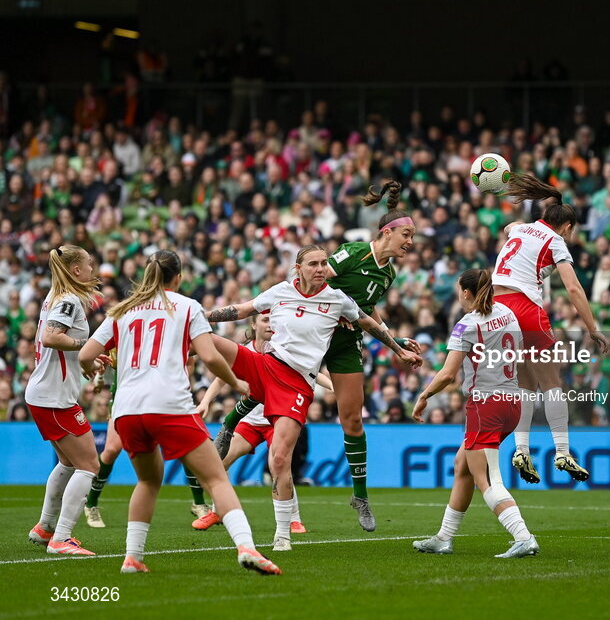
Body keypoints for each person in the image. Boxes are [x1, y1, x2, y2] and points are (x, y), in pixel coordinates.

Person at [214, 181, 420, 532]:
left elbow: (364, 312)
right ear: (388, 232)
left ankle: (360, 496)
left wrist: (394, 341)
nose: (411, 243)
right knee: (271, 376)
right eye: (407, 235)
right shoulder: (353, 253)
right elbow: (314, 284)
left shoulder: (388, 273)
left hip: (343, 342)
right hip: (308, 332)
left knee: (352, 418)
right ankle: (230, 424)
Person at [78, 250, 280, 575]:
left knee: (147, 480)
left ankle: (132, 557)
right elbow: (211, 358)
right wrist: (237, 383)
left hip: (127, 410)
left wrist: (93, 370)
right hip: (168, 404)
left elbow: (86, 353)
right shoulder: (187, 306)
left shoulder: (121, 311)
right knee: (216, 478)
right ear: (179, 278)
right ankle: (247, 547)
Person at [411, 269, 538, 558]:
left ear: (466, 292)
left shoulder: (467, 324)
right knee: (463, 465)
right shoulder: (507, 313)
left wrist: (423, 396)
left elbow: (447, 374)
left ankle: (523, 536)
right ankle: (444, 538)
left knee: (488, 479)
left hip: (486, 405)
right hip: (511, 401)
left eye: (459, 289)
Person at [493, 173, 610, 484]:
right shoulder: (556, 240)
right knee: (551, 382)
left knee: (525, 384)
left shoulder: (520, 228)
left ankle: (521, 450)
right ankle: (562, 452)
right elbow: (573, 289)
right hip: (523, 307)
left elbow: (509, 228)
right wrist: (593, 328)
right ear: (568, 226)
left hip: (496, 310)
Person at [192, 312, 333, 532]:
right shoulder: (244, 352)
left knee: (278, 464)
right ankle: (217, 511)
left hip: (277, 419)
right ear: (253, 324)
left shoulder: (283, 350)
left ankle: (294, 519)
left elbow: (309, 372)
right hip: (250, 421)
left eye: (273, 321)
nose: (270, 325)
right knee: (220, 463)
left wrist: (333, 386)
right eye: (265, 320)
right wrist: (206, 402)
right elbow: (221, 378)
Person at [25, 246, 101, 555]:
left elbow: (60, 346)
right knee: (89, 465)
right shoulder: (69, 301)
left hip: (47, 394)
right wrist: (90, 345)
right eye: (89, 264)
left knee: (69, 462)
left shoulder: (55, 298)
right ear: (76, 271)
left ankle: (44, 527)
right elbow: (51, 337)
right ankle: (61, 538)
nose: (93, 270)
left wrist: (88, 360)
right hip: (54, 398)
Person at [83, 350, 214, 528]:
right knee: (112, 449)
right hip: (125, 396)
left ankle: (198, 503)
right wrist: (99, 376)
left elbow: (189, 360)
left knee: (184, 441)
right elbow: (101, 355)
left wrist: (177, 380)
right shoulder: (122, 325)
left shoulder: (165, 326)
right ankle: (91, 503)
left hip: (162, 396)